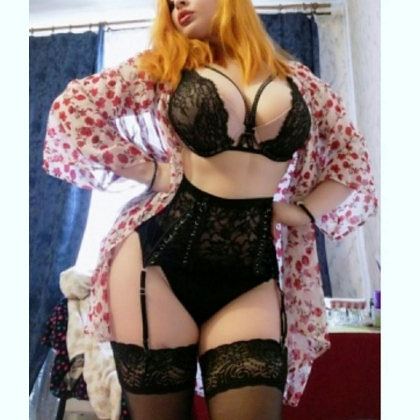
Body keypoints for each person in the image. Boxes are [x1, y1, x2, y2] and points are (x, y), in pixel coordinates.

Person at [43, 0, 378, 419]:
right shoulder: (167, 67)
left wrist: (302, 212)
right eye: (169, 3)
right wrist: (151, 173)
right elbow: (73, 108)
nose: (177, 4)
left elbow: (350, 157)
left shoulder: (301, 83)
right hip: (155, 264)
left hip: (250, 272)